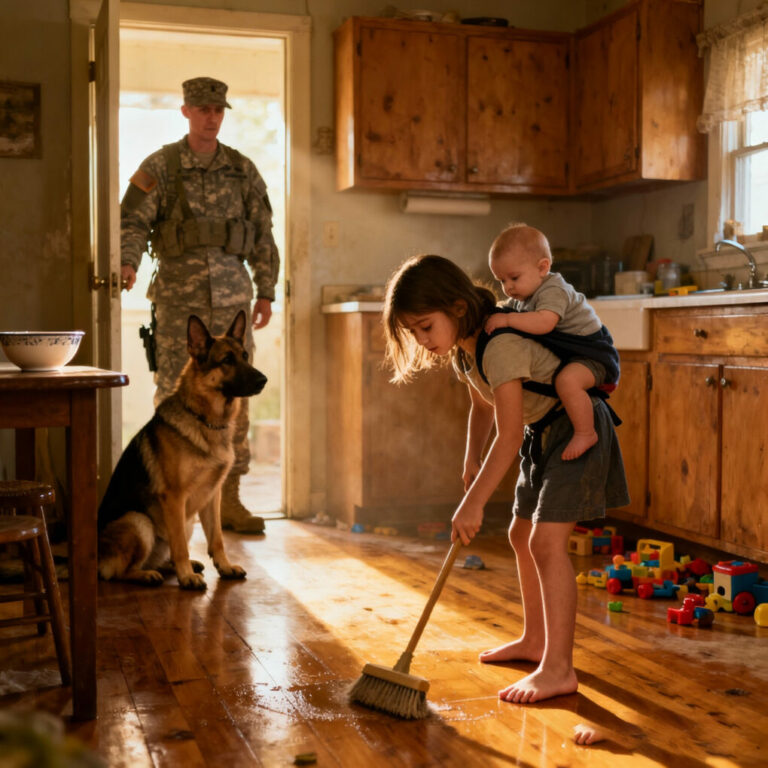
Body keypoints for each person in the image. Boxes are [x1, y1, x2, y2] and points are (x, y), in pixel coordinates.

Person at [382, 254, 629, 704]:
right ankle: (535, 641)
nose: (421, 340)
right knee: (521, 535)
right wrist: (470, 457)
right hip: (543, 434)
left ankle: (558, 668)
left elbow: (510, 434)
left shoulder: (502, 345)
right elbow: (484, 407)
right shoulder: (464, 351)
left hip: (575, 430)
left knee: (545, 543)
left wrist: (474, 502)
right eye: (412, 332)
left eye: (424, 326)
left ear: (457, 308)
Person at [120, 76, 279, 535]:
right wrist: (128, 263)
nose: (211, 117)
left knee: (237, 398)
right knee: (175, 396)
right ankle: (173, 509)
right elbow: (131, 220)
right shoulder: (162, 166)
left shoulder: (243, 170)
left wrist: (266, 289)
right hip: (177, 303)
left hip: (233, 298)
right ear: (186, 111)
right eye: (202, 109)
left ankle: (227, 499)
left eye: (218, 110)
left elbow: (263, 233)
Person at [484, 224, 618, 461]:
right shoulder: (524, 295)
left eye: (514, 277)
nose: (508, 287)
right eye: (501, 280)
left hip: (594, 356)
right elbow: (507, 309)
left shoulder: (553, 289)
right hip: (572, 353)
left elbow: (544, 322)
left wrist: (507, 319)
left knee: (567, 381)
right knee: (562, 378)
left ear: (542, 267)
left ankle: (586, 433)